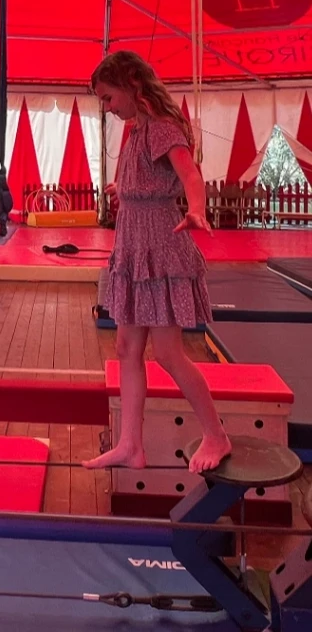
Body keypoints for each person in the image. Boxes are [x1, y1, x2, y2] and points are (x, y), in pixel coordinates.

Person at [84, 51, 230, 475]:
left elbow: (190, 175)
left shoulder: (163, 127)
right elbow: (153, 177)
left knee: (168, 353)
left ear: (132, 83)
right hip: (134, 248)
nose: (107, 108)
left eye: (109, 98)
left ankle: (216, 434)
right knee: (126, 348)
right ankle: (131, 444)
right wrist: (126, 188)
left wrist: (197, 209)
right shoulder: (139, 129)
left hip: (160, 249)